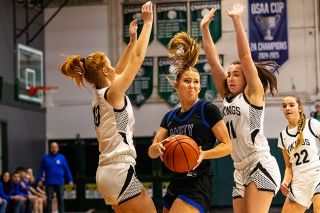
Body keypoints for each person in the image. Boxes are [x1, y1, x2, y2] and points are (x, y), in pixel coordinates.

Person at [59, 2, 156, 213]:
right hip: (119, 170)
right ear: (104, 71)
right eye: (109, 65)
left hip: (105, 173)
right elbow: (137, 60)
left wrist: (131, 43)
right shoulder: (113, 94)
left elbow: (118, 69)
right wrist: (148, 23)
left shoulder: (100, 94)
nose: (114, 68)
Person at [200, 3, 281, 213]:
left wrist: (236, 20)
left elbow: (245, 58)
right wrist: (204, 30)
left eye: (236, 74)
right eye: (229, 74)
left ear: (247, 78)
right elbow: (212, 60)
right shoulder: (227, 97)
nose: (230, 77)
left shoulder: (253, 94)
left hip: (259, 162)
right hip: (239, 168)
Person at [148, 31, 232, 213]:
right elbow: (152, 151)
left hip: (198, 183)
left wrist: (203, 154)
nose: (192, 85)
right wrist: (158, 148)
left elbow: (227, 146)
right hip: (176, 181)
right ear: (176, 85)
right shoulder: (169, 117)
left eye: (196, 82)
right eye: (187, 81)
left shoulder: (207, 110)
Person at [278, 95, 320, 213]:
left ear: (300, 108)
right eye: (284, 106)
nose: (287, 108)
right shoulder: (282, 136)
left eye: (291, 105)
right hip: (299, 182)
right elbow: (288, 167)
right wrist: (285, 181)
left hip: (316, 176)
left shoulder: (312, 124)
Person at [36, 142, 73, 213]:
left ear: (58, 148)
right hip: (49, 182)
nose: (54, 149)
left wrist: (70, 180)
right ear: (50, 148)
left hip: (60, 182)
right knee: (49, 200)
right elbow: (40, 170)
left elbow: (66, 169)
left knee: (60, 200)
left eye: (55, 147)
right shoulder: (45, 158)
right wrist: (39, 179)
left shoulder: (62, 157)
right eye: (52, 147)